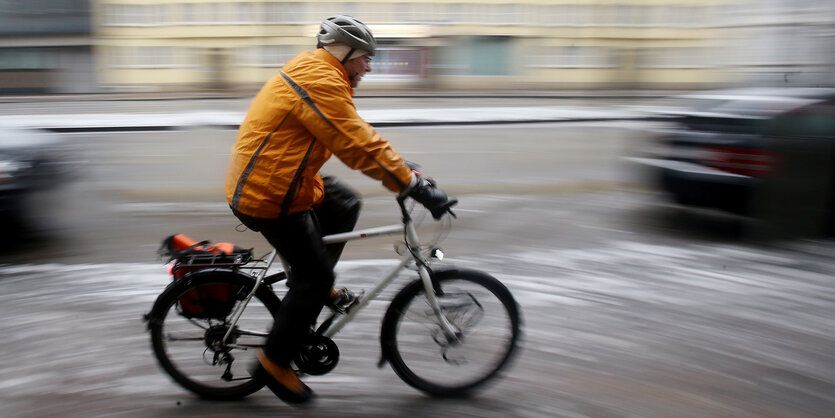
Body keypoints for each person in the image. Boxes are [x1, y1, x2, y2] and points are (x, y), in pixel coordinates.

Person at [225, 15, 455, 404]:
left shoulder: (320, 71)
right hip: (268, 193)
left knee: (345, 202)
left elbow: (355, 134)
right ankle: (275, 361)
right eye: (365, 58)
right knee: (312, 280)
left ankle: (312, 286)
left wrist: (402, 169)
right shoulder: (320, 78)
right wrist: (412, 185)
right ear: (343, 53)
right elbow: (356, 144)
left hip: (281, 180)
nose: (368, 67)